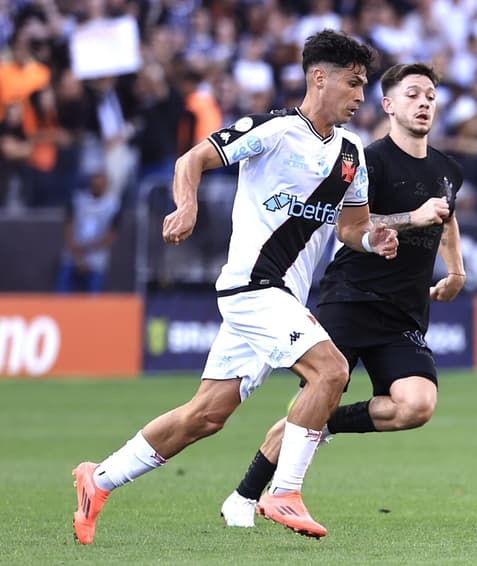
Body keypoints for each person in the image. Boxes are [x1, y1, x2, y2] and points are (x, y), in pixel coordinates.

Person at [72, 29, 399, 544]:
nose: (361, 96)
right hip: (254, 285)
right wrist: (187, 204)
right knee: (331, 371)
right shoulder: (273, 129)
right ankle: (284, 491)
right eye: (354, 84)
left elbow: (349, 228)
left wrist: (372, 238)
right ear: (319, 78)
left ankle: (100, 478)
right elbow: (191, 160)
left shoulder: (352, 155)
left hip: (282, 297)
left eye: (364, 86)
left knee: (206, 415)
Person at [219, 62, 465, 528]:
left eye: (431, 95)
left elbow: (447, 217)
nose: (424, 103)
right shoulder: (364, 157)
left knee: (417, 405)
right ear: (389, 106)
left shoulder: (448, 169)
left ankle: (321, 425)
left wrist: (456, 270)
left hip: (404, 309)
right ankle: (245, 495)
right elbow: (344, 225)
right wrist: (409, 217)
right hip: (352, 296)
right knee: (319, 392)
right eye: (413, 94)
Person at [55, 166, 121, 293]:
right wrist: (77, 253)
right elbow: (68, 226)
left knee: (94, 293)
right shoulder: (77, 199)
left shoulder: (114, 205)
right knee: (62, 286)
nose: (98, 183)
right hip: (73, 252)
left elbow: (110, 237)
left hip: (96, 256)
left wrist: (86, 250)